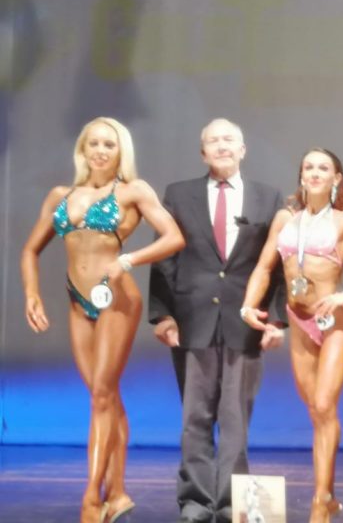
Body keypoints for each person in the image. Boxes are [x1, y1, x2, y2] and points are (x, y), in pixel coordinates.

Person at [20, 117, 185, 523]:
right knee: (105, 396)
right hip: (77, 301)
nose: (100, 151)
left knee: (100, 395)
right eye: (93, 143)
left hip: (116, 299)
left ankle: (92, 498)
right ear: (82, 149)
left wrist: (128, 259)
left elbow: (174, 237)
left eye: (109, 144)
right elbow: (30, 250)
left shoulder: (132, 191)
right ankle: (120, 493)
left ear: (120, 151)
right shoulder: (60, 195)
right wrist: (32, 294)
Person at [240, 147, 343, 522]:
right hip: (299, 320)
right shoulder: (286, 219)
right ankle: (327, 494)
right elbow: (264, 267)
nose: (314, 172)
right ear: (301, 175)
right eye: (308, 167)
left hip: (334, 322)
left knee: (325, 404)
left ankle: (319, 501)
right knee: (317, 412)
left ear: (336, 178)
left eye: (323, 168)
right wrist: (248, 305)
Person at [148, 118, 285, 523]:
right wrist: (162, 314)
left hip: (247, 322)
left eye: (229, 140)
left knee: (235, 419)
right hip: (192, 320)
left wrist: (277, 320)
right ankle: (195, 501)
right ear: (202, 152)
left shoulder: (268, 197)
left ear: (243, 150)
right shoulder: (178, 195)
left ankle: (231, 503)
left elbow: (277, 264)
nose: (222, 146)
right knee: (195, 417)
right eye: (213, 141)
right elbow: (164, 257)